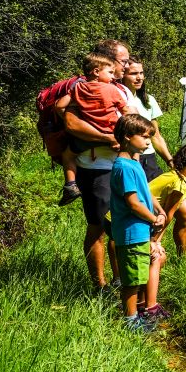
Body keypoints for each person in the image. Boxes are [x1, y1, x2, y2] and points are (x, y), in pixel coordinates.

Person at [63, 39, 131, 292]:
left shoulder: (116, 89)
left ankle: (120, 281)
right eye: (123, 61)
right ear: (107, 61)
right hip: (96, 168)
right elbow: (71, 124)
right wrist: (107, 138)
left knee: (121, 224)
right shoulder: (85, 89)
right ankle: (99, 287)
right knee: (99, 227)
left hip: (121, 164)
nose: (126, 65)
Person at [141, 144, 186, 319]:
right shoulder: (179, 184)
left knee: (155, 257)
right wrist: (156, 241)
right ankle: (146, 307)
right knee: (157, 257)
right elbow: (169, 214)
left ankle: (143, 303)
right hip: (135, 220)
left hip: (137, 218)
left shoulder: (174, 176)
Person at [110, 113, 165, 332]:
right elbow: (133, 203)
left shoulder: (134, 163)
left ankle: (139, 313)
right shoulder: (123, 167)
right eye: (143, 137)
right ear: (126, 137)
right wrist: (153, 219)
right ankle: (130, 321)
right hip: (131, 231)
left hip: (141, 230)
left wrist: (159, 210)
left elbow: (145, 192)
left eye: (150, 136)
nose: (148, 141)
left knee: (140, 273)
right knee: (132, 280)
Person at [56, 52, 128, 206]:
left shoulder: (78, 88)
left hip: (85, 138)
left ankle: (70, 185)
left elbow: (60, 106)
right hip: (112, 134)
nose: (112, 76)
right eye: (109, 72)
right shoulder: (112, 90)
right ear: (96, 72)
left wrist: (67, 116)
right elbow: (126, 112)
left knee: (68, 155)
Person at [121, 59, 172, 181]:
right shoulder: (119, 101)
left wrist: (170, 161)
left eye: (141, 73)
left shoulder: (148, 100)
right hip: (128, 159)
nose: (139, 78)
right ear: (122, 75)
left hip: (149, 159)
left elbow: (156, 136)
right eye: (133, 74)